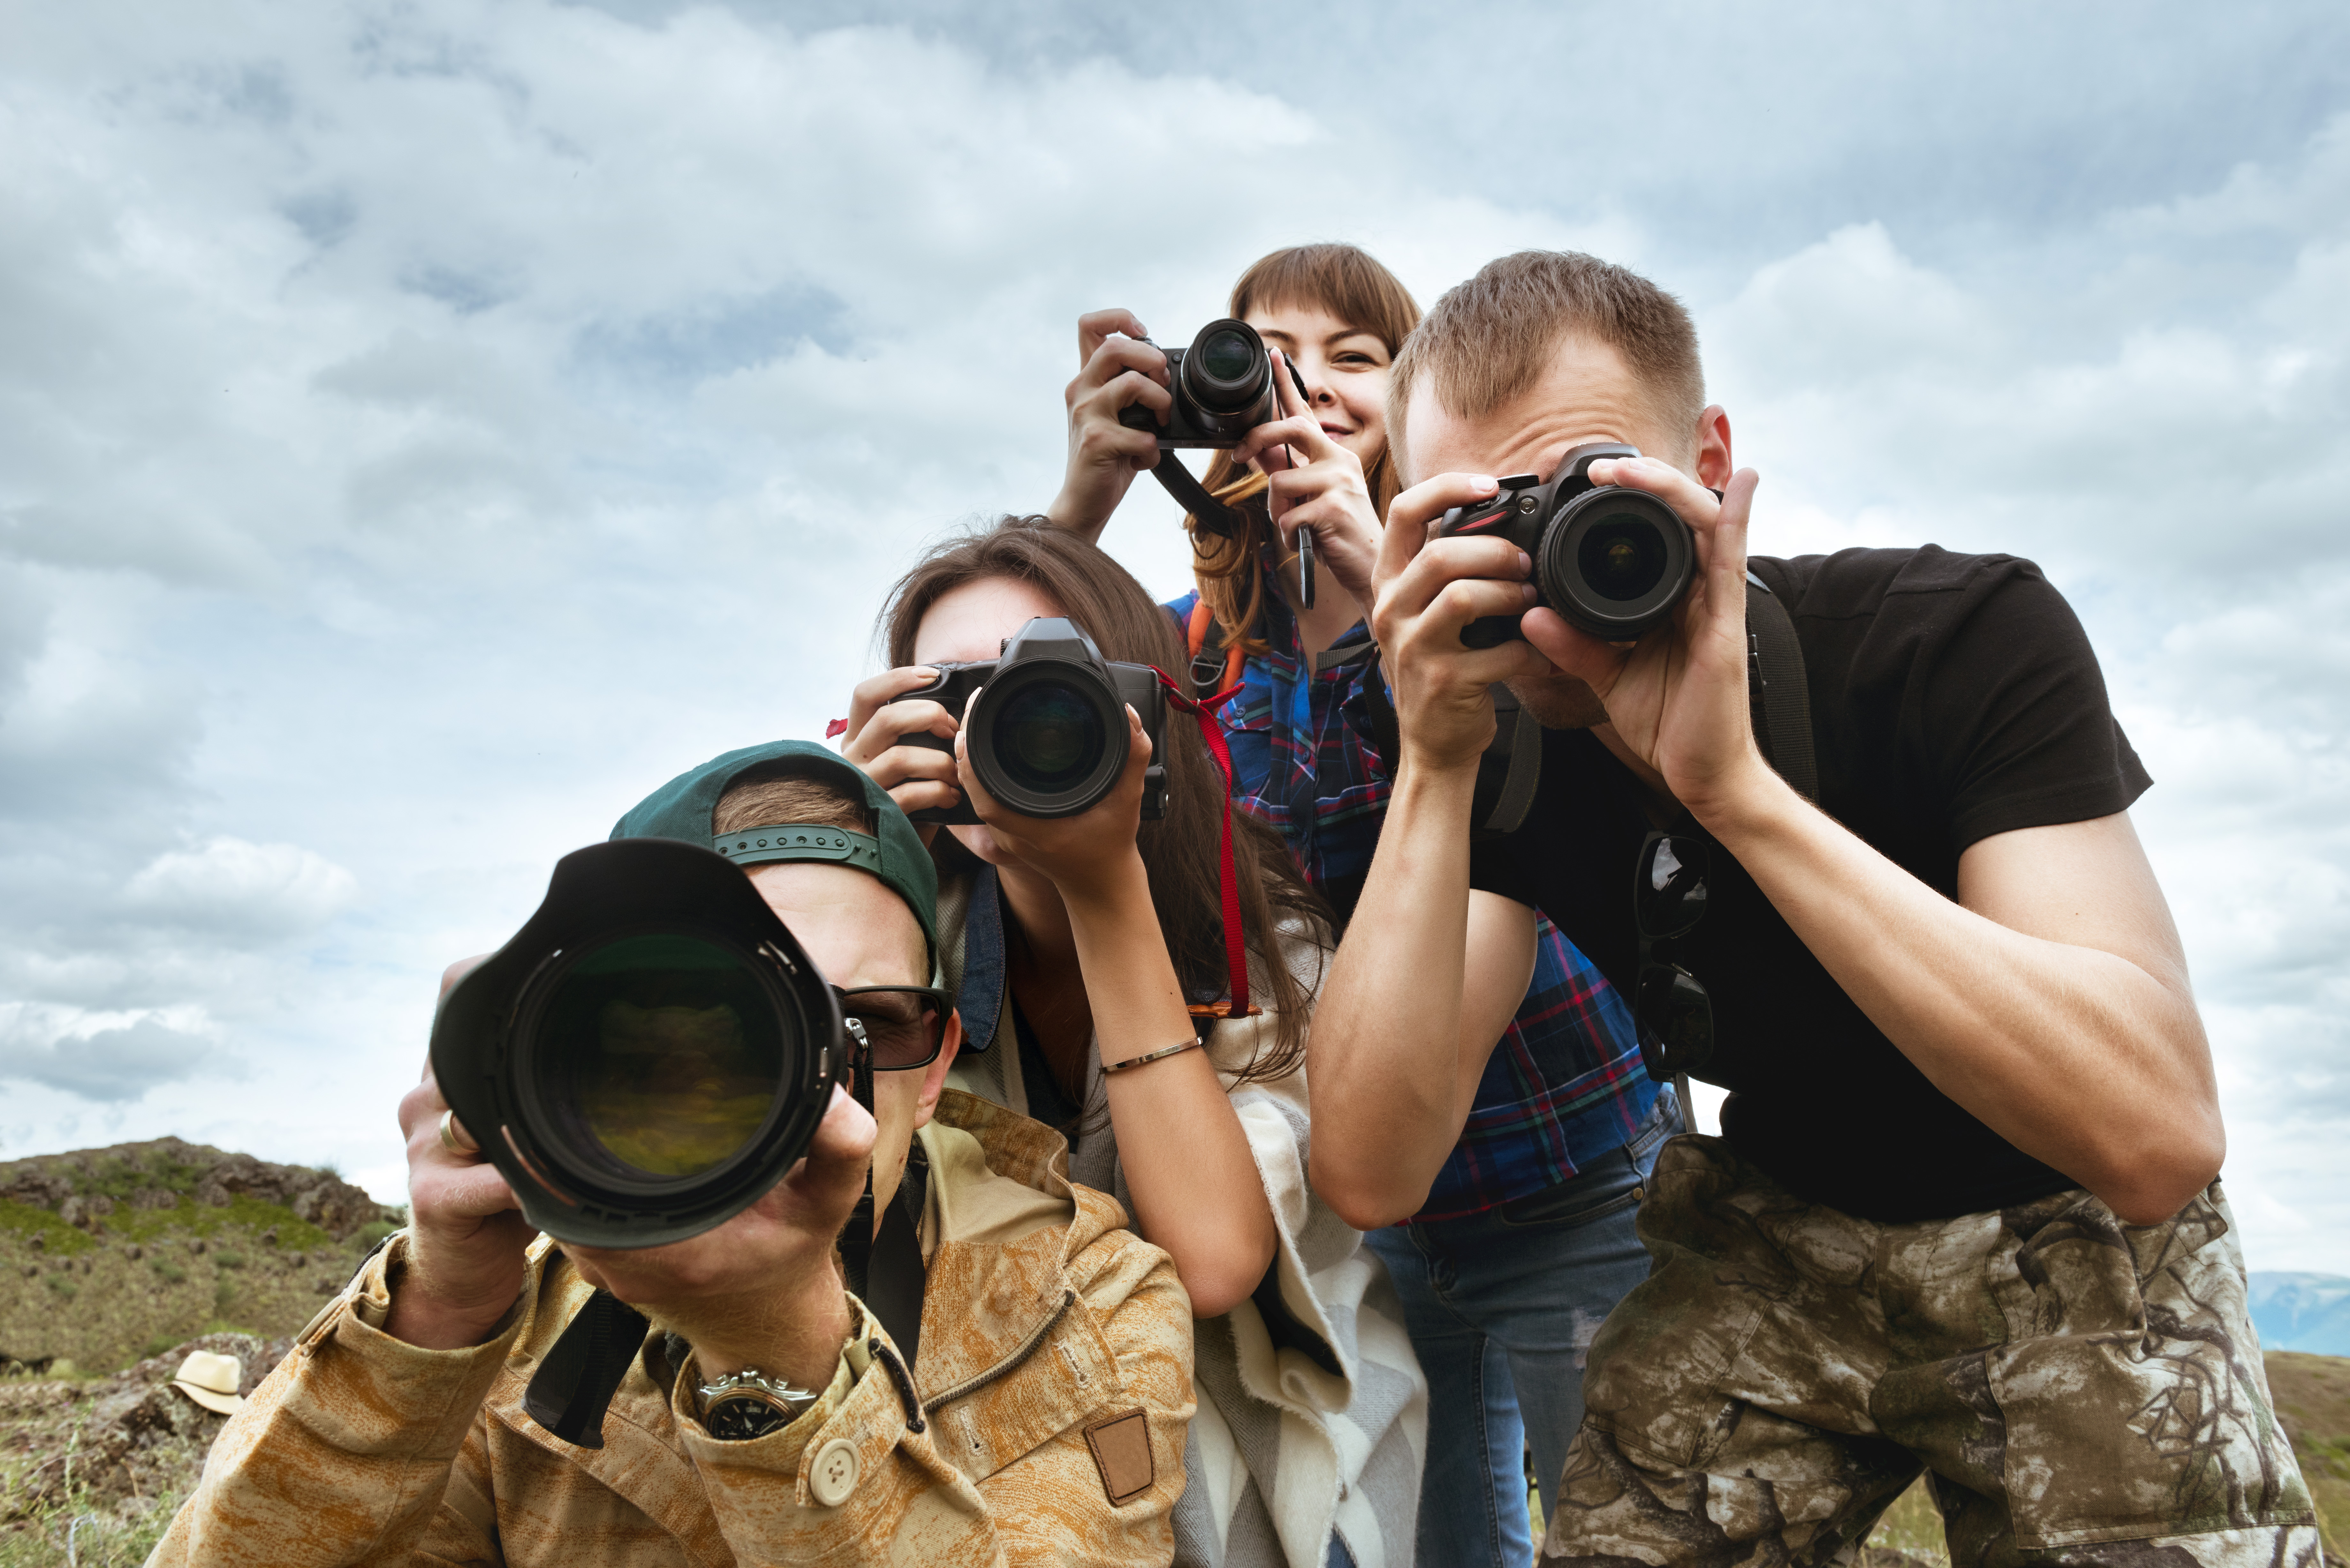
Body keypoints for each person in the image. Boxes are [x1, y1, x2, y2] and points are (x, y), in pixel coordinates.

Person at [1317, 248, 2321, 1568]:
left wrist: (1737, 795)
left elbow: (2154, 1134)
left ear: (1713, 461)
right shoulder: (1499, 745)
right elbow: (1372, 1166)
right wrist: (1436, 762)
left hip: (2069, 1228)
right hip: (1783, 1231)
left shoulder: (1954, 638)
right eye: (1489, 520)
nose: (1556, 572)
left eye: (1591, 498)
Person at [151, 742, 1196, 1565]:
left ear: (933, 1070)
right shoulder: (509, 1308)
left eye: (866, 1031)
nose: (806, 1091)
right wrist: (435, 1317)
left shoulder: (1086, 1297)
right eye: (719, 1028)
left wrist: (777, 1340)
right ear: (572, 1055)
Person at [1047, 244, 1676, 1566]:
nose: (1311, 384)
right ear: (1206, 403)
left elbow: (1498, 790)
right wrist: (1083, 505)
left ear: (1416, 404)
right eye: (1266, 353)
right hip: (1366, 1206)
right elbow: (1019, 708)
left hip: (1566, 1163)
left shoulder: (1498, 592)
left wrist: (1371, 587)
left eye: (1354, 355)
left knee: (1634, 1527)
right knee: (1440, 1535)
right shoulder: (1191, 654)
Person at [840, 518, 1425, 1568]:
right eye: (957, 698)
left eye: (1043, 696)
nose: (1000, 735)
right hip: (1002, 1441)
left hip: (1271, 1436)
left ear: (1148, 710)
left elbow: (1212, 1262)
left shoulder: (1267, 941)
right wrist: (847, 858)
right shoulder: (902, 949)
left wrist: (1101, 884)